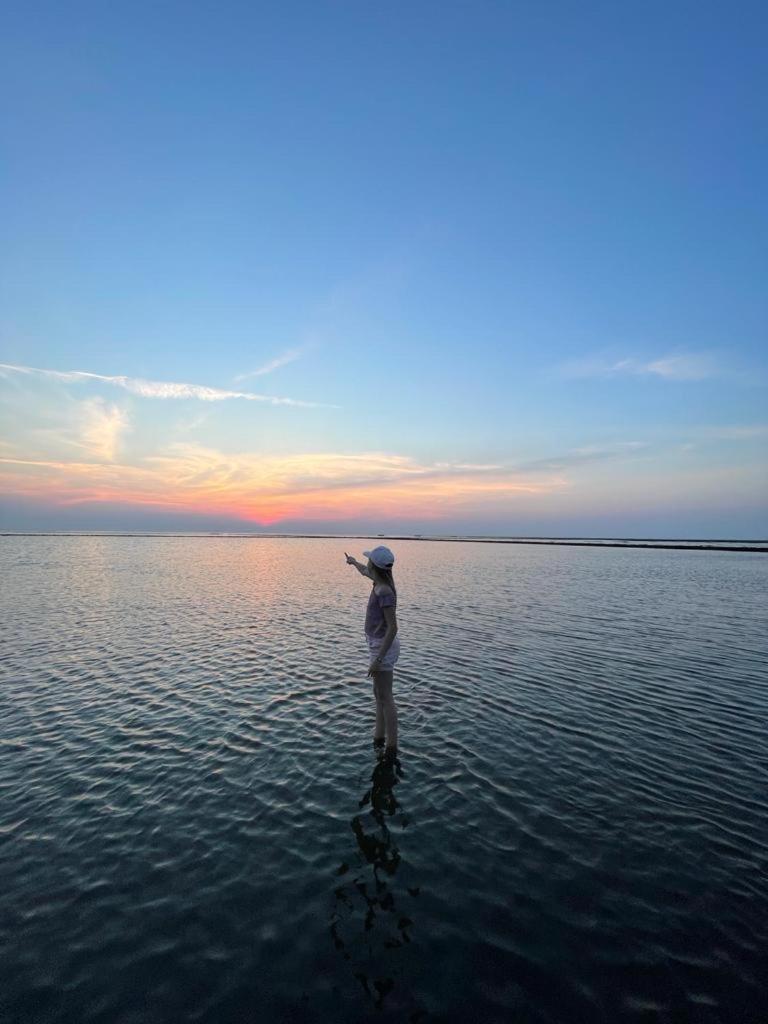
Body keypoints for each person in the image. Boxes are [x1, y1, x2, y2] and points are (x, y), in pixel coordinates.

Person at [345, 546, 400, 760]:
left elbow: (393, 627)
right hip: (377, 645)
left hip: (382, 647)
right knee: (379, 694)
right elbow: (364, 571)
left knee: (386, 696)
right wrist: (352, 562)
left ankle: (392, 747)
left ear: (374, 565)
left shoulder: (384, 591)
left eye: (368, 561)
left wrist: (378, 659)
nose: (365, 564)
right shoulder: (378, 582)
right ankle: (379, 736)